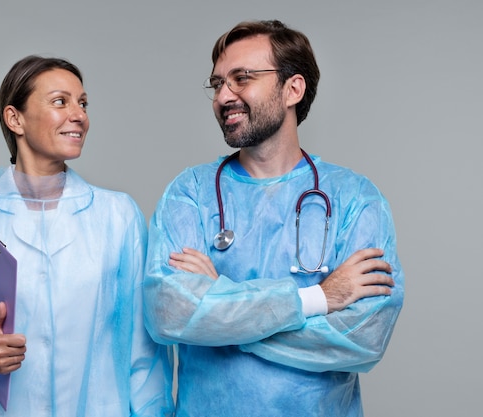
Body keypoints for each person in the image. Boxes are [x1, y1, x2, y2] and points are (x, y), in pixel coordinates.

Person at [143, 19, 404, 417]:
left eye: (241, 78)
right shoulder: (189, 194)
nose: (223, 96)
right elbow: (170, 313)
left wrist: (221, 304)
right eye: (217, 84)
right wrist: (320, 298)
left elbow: (363, 338)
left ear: (292, 89)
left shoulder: (355, 199)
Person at [0, 55, 174, 417]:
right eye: (60, 101)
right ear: (14, 118)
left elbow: (144, 349)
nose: (79, 114)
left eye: (82, 103)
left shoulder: (118, 216)